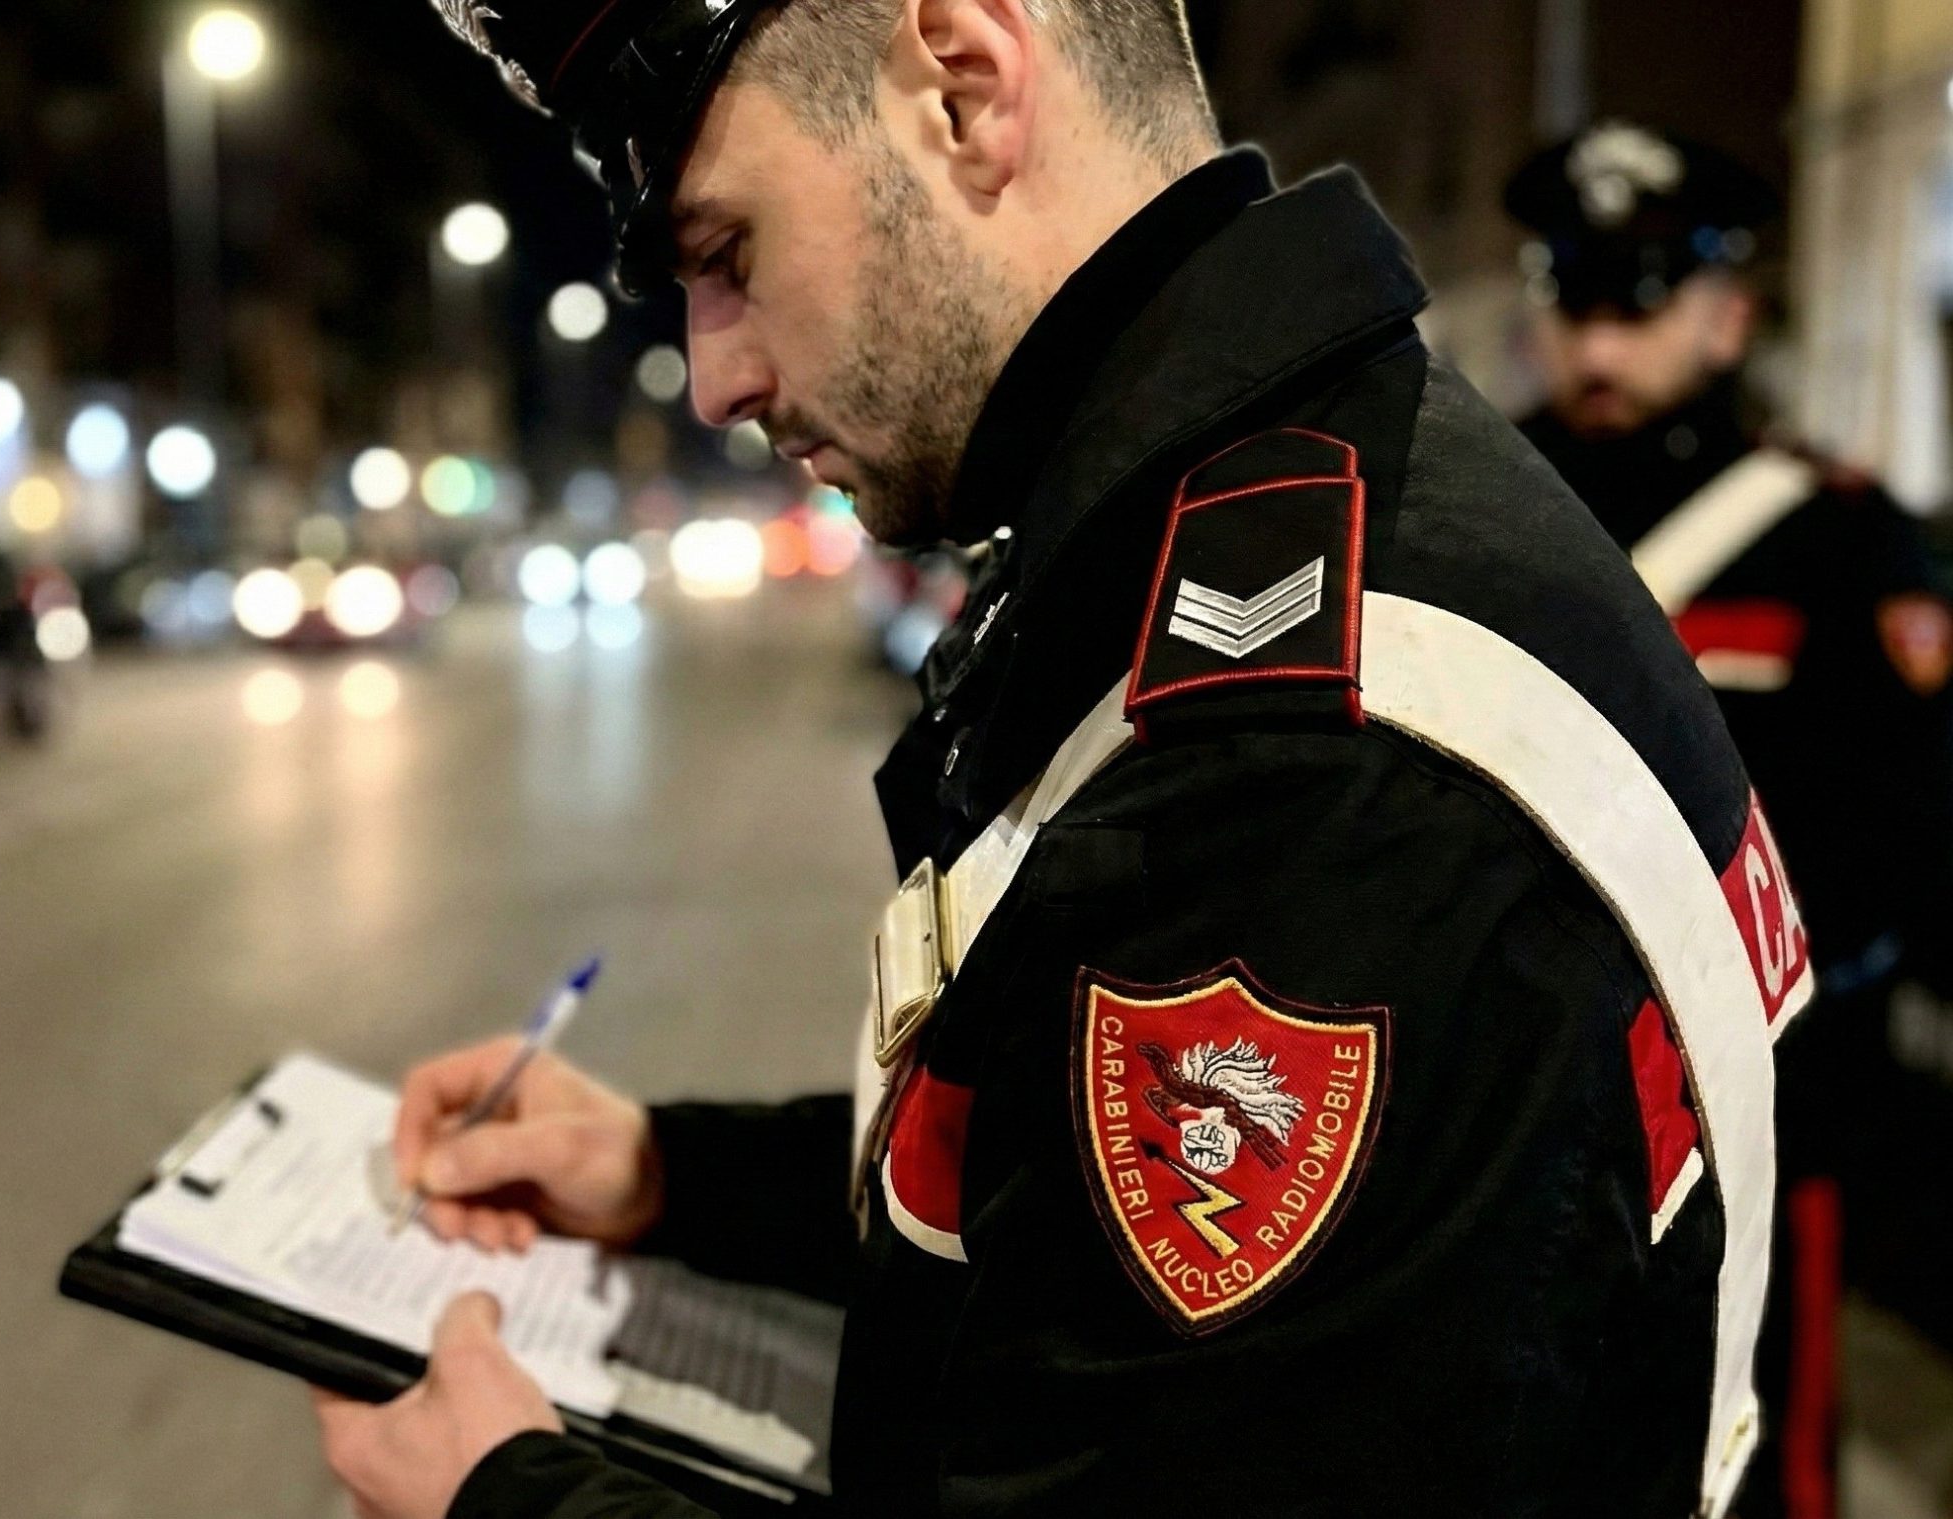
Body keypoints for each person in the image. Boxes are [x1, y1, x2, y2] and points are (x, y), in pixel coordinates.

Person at [313, 2, 1806, 1514]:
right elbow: (1087, 1218)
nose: (714, 378)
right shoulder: (1257, 509)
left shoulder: (1304, 763)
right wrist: (674, 1179)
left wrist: (505, 1500)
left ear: (963, 91)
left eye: (728, 255)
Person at [1507, 121, 1953, 1519]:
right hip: (1522, 1107)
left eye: (1636, 306)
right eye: (1576, 300)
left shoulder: (1836, 541)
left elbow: (1907, 836)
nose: (1597, 346)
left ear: (1726, 315)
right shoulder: (1479, 508)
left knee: (1754, 1469)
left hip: (1760, 1118)